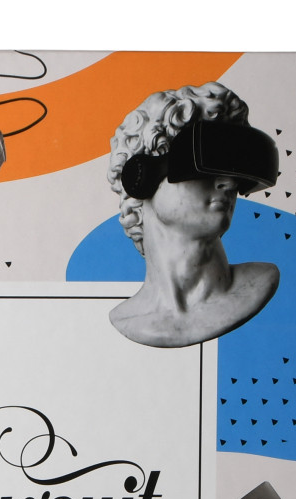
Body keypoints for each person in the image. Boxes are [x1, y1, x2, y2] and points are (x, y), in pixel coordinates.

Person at [106, 82, 279, 348]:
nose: (229, 183)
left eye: (233, 168)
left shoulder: (260, 283)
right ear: (141, 177)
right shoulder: (126, 321)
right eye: (208, 164)